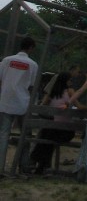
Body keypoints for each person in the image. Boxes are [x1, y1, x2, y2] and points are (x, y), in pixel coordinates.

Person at [0, 36, 38, 175]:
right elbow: (32, 86)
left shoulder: (6, 60)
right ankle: (23, 166)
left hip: (5, 102)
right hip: (23, 103)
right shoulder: (33, 64)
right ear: (31, 48)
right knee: (25, 135)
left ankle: (0, 167)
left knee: (3, 134)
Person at [30, 71, 75, 173]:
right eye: (70, 80)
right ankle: (43, 165)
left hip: (54, 130)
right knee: (48, 134)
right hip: (66, 131)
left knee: (46, 134)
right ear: (65, 81)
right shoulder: (70, 91)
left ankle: (36, 160)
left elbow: (42, 107)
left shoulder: (52, 93)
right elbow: (78, 105)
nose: (71, 82)